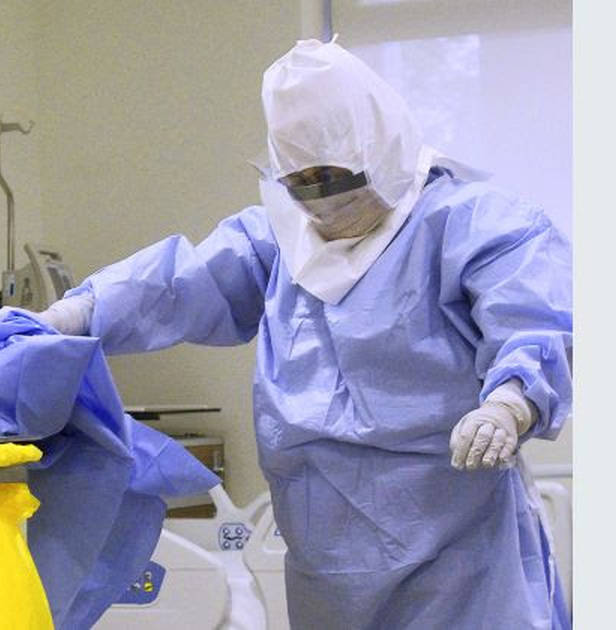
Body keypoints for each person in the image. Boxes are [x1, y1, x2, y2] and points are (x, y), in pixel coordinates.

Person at [38, 38, 572, 629]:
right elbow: (173, 283)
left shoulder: (470, 225)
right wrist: (73, 314)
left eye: (337, 179)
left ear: (385, 150)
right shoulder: (277, 240)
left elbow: (534, 320)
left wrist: (508, 404)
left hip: (462, 556)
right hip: (329, 561)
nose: (324, 204)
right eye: (303, 184)